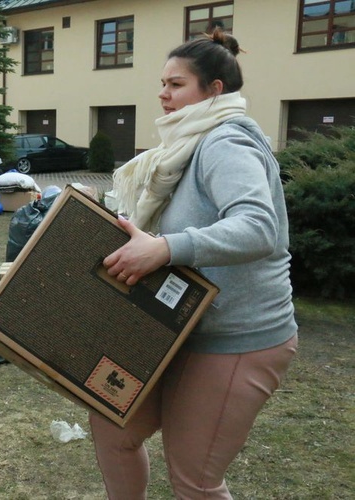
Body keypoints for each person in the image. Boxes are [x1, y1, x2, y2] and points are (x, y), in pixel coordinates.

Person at [92, 29, 298, 499]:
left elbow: (258, 227)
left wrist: (165, 248)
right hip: (176, 326)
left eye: (176, 84)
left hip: (237, 337)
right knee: (112, 427)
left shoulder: (226, 142)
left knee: (195, 479)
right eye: (162, 84)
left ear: (215, 90)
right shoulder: (183, 145)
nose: (163, 94)